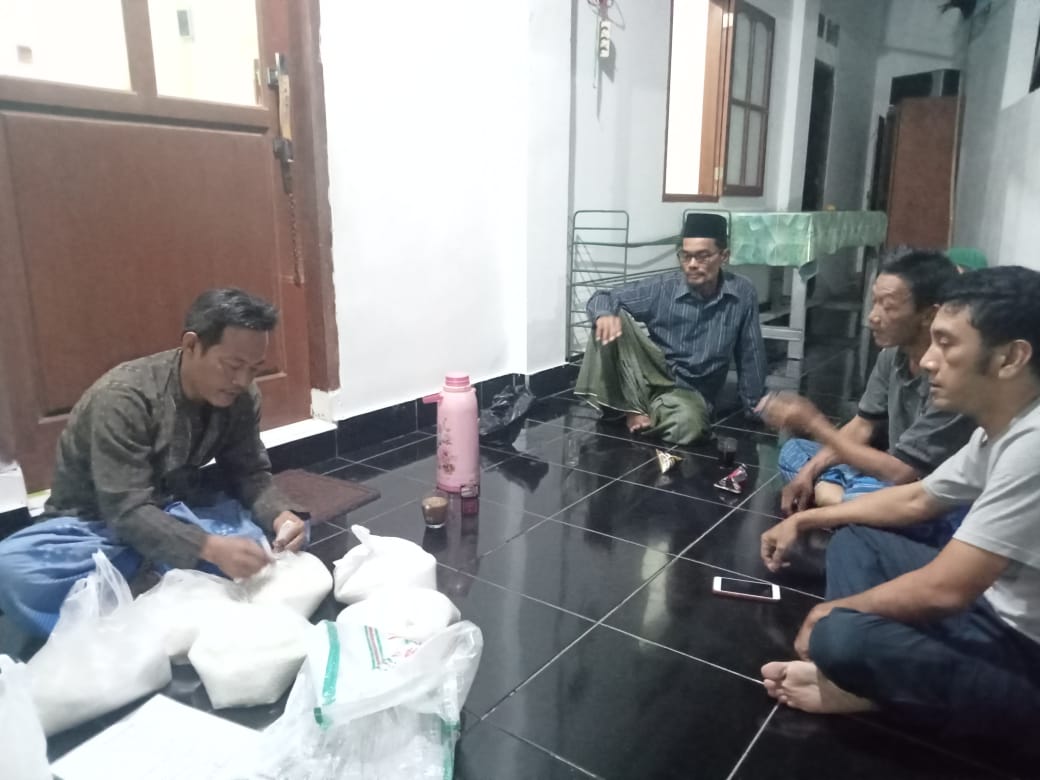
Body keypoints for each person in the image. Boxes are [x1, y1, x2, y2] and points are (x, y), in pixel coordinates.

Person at [759, 266, 1040, 744]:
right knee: (858, 537)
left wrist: (831, 612)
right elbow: (916, 498)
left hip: (1024, 653)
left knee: (838, 635)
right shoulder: (1001, 429)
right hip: (991, 607)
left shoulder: (1032, 446)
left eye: (946, 344)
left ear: (1010, 358)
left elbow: (946, 589)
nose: (929, 361)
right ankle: (867, 673)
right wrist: (805, 520)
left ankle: (866, 682)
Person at [0, 288, 308, 636]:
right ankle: (163, 574)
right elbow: (125, 510)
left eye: (254, 368)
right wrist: (207, 547)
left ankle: (148, 581)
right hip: (97, 527)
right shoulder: (122, 398)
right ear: (191, 345)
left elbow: (249, 472)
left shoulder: (242, 396)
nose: (242, 381)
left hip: (174, 512)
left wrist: (281, 515)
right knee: (13, 570)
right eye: (233, 365)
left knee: (282, 536)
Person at [762, 250, 974, 545]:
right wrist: (809, 471)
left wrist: (813, 423)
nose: (873, 317)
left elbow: (901, 474)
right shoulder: (892, 355)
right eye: (874, 302)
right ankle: (848, 505)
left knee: (898, 502)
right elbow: (862, 426)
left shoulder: (952, 376)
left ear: (929, 315)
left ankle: (842, 504)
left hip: (928, 494)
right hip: (889, 473)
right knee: (796, 452)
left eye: (888, 307)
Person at [574, 212, 766, 444]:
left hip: (690, 392)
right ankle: (633, 409)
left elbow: (750, 351)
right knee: (608, 316)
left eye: (702, 256)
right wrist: (604, 315)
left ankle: (638, 410)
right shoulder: (664, 288)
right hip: (652, 374)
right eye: (685, 256)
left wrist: (754, 406)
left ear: (724, 256)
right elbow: (602, 296)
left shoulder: (742, 292)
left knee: (689, 425)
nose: (692, 264)